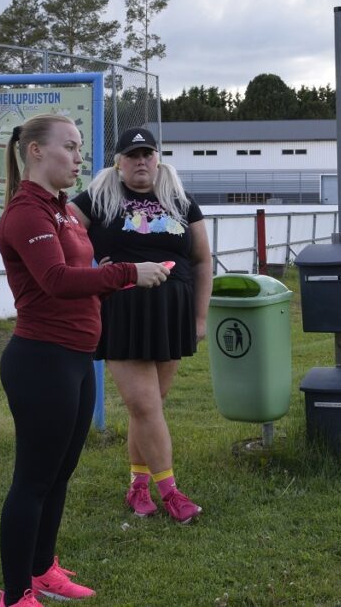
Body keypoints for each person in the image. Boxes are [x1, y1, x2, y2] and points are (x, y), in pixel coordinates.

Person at [0, 114, 171, 607]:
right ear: (35, 152)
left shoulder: (65, 212)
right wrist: (127, 273)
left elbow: (82, 273)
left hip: (76, 358)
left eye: (78, 149)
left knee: (59, 475)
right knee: (32, 481)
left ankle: (42, 569)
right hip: (40, 361)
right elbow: (55, 279)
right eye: (69, 147)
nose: (78, 157)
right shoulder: (25, 213)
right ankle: (14, 595)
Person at [71, 126, 212, 524]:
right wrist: (92, 270)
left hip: (172, 315)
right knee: (145, 405)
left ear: (157, 157)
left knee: (148, 409)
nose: (141, 161)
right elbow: (63, 237)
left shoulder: (181, 201)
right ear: (118, 163)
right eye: (132, 155)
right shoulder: (98, 198)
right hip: (121, 312)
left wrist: (200, 316)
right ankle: (171, 492)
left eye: (147, 154)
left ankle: (137, 486)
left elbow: (202, 261)